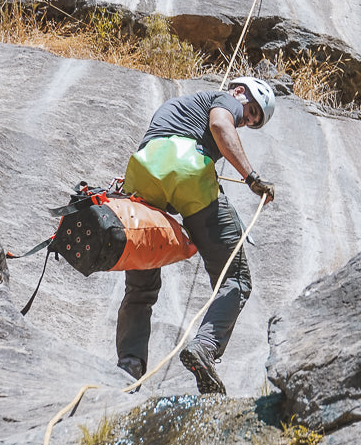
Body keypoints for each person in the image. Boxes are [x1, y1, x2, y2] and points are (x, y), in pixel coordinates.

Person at [116, 78, 276, 395]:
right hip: (186, 168)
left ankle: (129, 365)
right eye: (252, 111)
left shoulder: (179, 107)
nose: (248, 120)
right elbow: (219, 124)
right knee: (236, 277)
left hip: (141, 173)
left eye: (255, 120)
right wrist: (251, 177)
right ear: (239, 92)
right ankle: (205, 347)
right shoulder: (224, 99)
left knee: (141, 283)